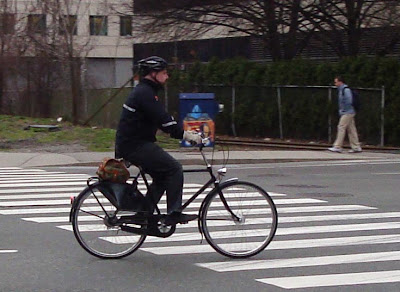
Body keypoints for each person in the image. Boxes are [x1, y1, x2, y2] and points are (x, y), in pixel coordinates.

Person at [115, 56, 201, 225]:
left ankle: (144, 214)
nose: (167, 77)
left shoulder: (145, 91)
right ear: (153, 74)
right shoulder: (145, 93)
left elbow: (161, 119)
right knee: (174, 169)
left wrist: (180, 132)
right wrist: (187, 135)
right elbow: (165, 121)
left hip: (132, 144)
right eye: (164, 73)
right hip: (136, 145)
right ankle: (174, 212)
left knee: (162, 176)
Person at [328, 76, 362, 153]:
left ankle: (337, 146)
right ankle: (356, 147)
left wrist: (343, 110)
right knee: (351, 129)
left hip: (347, 112)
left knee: (341, 127)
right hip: (349, 112)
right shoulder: (342, 90)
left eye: (336, 82)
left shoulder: (345, 90)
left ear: (340, 82)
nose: (335, 84)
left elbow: (349, 101)